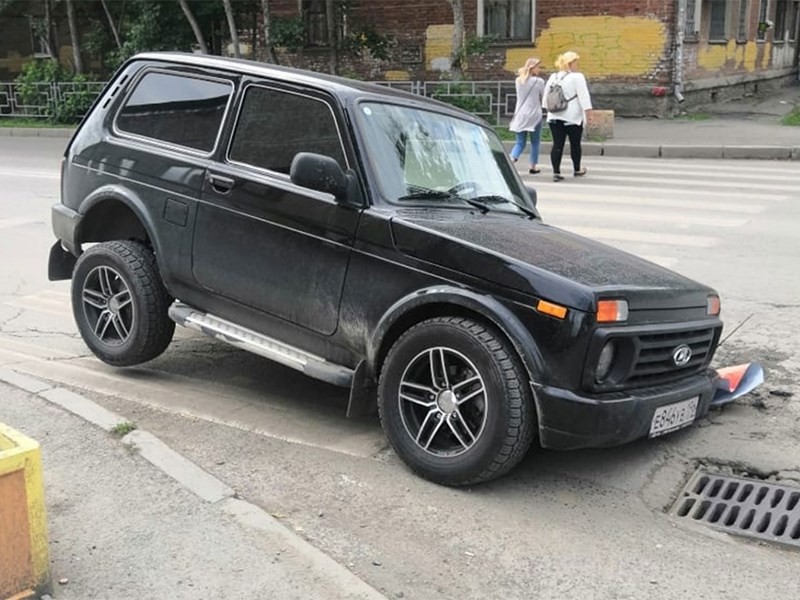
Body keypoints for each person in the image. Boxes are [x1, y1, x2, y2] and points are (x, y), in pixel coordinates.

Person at [542, 51, 593, 182]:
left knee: (557, 144)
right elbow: (583, 96)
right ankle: (577, 169)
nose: (577, 65)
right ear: (570, 63)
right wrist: (588, 113)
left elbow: (545, 98)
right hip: (572, 117)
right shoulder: (578, 77)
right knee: (575, 144)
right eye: (576, 62)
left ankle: (556, 172)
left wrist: (549, 110)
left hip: (554, 116)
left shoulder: (553, 77)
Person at [508, 57, 545, 174]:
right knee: (535, 142)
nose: (539, 69)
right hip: (534, 114)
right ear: (532, 68)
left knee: (520, 142)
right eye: (538, 67)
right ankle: (533, 166)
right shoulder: (539, 81)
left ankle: (511, 159)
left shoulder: (519, 80)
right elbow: (543, 96)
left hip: (520, 113)